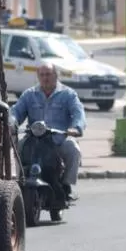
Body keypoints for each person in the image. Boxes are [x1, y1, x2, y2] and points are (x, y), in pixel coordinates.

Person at [10, 62, 86, 200]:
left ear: (56, 75)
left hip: (59, 138)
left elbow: (78, 112)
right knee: (18, 147)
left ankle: (66, 185)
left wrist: (76, 127)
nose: (45, 78)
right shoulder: (29, 94)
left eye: (49, 74)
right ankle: (20, 182)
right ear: (38, 76)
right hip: (34, 139)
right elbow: (16, 111)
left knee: (73, 149)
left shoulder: (68, 94)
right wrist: (11, 122)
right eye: (42, 75)